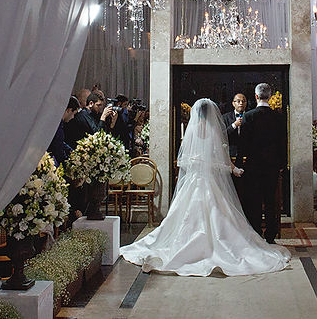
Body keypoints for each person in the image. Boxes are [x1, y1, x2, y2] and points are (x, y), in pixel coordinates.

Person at [119, 99, 291, 275]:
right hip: (210, 181)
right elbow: (220, 159)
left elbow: (184, 160)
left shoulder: (191, 130)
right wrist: (232, 169)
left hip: (194, 180)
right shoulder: (213, 131)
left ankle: (186, 245)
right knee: (220, 212)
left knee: (184, 213)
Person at [238, 83, 289, 244]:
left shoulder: (249, 116)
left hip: (253, 165)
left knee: (254, 200)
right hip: (272, 165)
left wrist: (240, 162)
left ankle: (256, 232)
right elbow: (283, 143)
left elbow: (243, 144)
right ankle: (271, 235)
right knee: (271, 201)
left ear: (256, 97)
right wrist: (283, 163)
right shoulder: (279, 117)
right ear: (271, 96)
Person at [47, 96, 81, 166]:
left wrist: (72, 152)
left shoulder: (57, 123)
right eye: (73, 114)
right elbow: (58, 147)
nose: (73, 117)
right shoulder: (57, 125)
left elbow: (61, 143)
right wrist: (67, 163)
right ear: (68, 110)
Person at [221, 93, 248, 162]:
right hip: (230, 154)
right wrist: (234, 125)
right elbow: (222, 135)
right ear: (233, 103)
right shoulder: (225, 117)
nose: (241, 103)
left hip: (247, 153)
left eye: (243, 101)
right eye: (238, 101)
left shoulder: (250, 116)